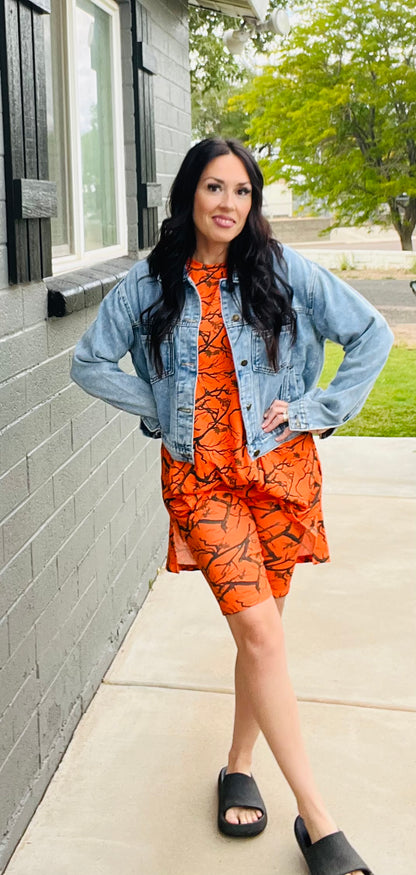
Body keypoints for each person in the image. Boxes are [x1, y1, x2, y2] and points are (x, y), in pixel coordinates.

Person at [71, 137, 392, 875]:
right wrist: (158, 405)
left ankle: (238, 762)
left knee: (264, 636)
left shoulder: (280, 270)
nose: (229, 204)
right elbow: (86, 362)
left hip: (281, 472)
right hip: (202, 483)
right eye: (215, 188)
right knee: (262, 633)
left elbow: (371, 335)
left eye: (243, 192)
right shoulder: (148, 287)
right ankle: (319, 820)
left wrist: (319, 408)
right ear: (190, 194)